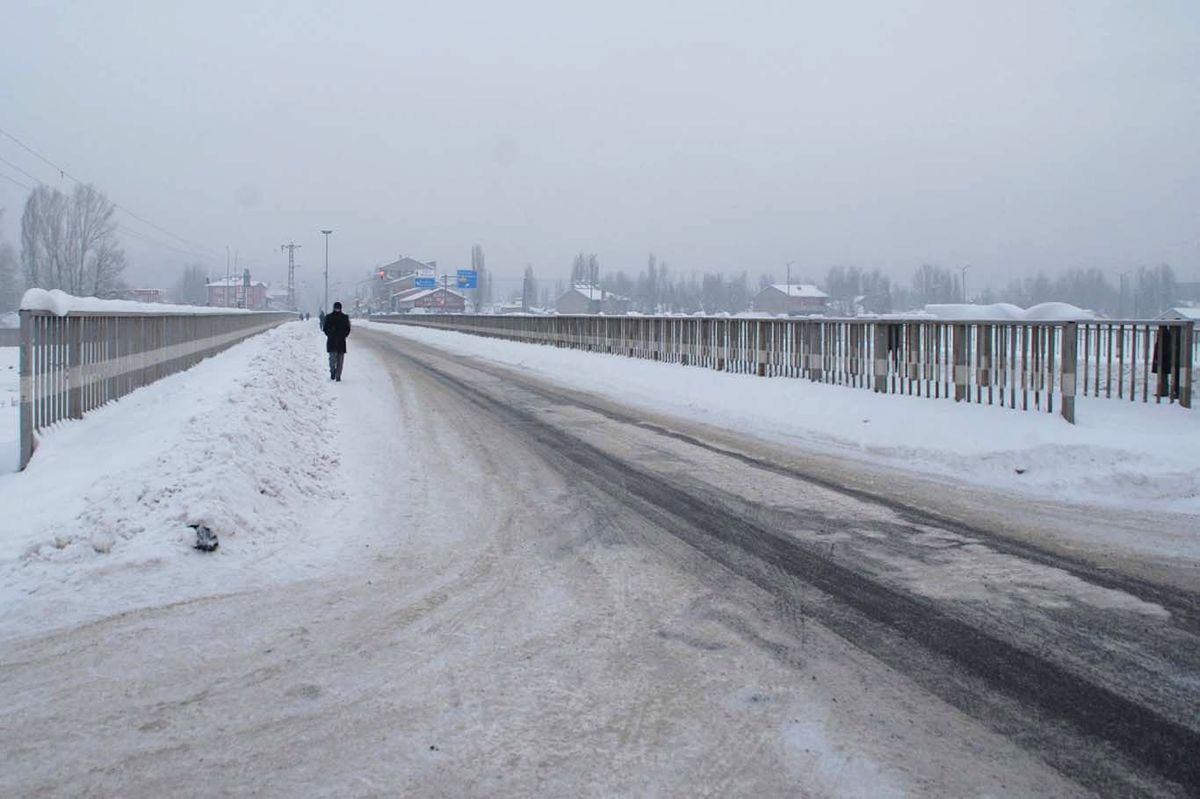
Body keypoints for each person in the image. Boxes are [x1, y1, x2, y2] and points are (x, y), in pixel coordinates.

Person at [322, 302, 351, 381]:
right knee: (332, 360)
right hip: (332, 341)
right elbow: (325, 328)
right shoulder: (329, 317)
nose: (337, 309)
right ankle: (333, 371)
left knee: (340, 361)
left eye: (338, 308)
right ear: (334, 308)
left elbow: (348, 329)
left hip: (341, 342)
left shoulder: (344, 317)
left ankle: (338, 376)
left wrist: (343, 335)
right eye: (336, 307)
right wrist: (330, 334)